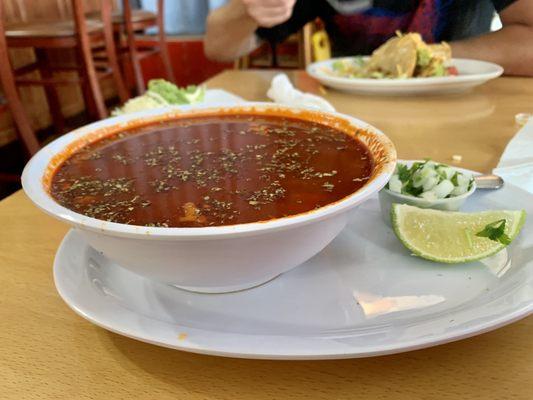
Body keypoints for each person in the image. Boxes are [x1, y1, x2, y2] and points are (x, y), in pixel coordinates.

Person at [204, 0, 533, 76]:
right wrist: (247, 9)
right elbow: (217, 46)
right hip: (358, 111)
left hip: (465, 105)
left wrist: (430, 55)